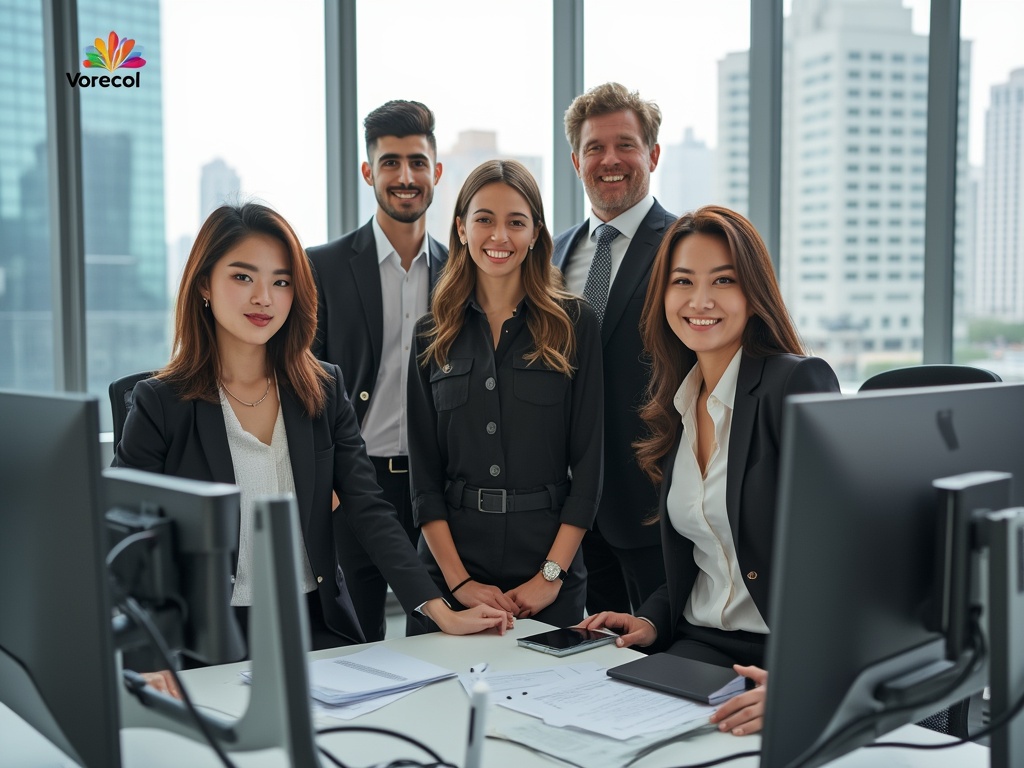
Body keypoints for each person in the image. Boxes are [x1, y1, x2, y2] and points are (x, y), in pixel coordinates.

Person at [114, 202, 512, 658]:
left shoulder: (322, 389)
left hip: (314, 626)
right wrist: (145, 660)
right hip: (205, 637)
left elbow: (369, 508)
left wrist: (438, 609)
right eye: (243, 277)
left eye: (281, 281)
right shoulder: (160, 403)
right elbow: (126, 545)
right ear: (204, 283)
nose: (264, 297)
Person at [577, 205, 841, 736]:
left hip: (784, 651)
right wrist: (649, 618)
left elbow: (846, 558)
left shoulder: (795, 383)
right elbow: (706, 553)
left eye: (724, 280)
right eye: (683, 282)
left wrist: (810, 679)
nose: (700, 301)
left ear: (753, 292)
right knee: (597, 733)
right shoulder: (678, 400)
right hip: (699, 642)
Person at [407, 160, 603, 630]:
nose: (500, 236)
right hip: (449, 573)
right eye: (484, 220)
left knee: (543, 702)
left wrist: (550, 576)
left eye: (516, 222)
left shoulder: (575, 324)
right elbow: (423, 481)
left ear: (535, 232)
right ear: (460, 228)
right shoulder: (430, 333)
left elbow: (591, 465)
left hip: (547, 571)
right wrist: (458, 584)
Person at [553, 82, 693, 616]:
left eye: (626, 145)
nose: (610, 160)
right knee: (584, 668)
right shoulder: (552, 254)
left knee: (663, 661)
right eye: (595, 148)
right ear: (576, 161)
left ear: (653, 154)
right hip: (567, 515)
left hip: (654, 505)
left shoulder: (685, 244)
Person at [308, 100, 446, 641]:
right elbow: (304, 378)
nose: (405, 177)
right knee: (350, 644)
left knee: (438, 642)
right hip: (355, 487)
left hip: (438, 491)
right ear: (369, 172)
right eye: (390, 162)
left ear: (436, 172)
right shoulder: (321, 267)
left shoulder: (464, 271)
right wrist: (331, 485)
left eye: (417, 161)